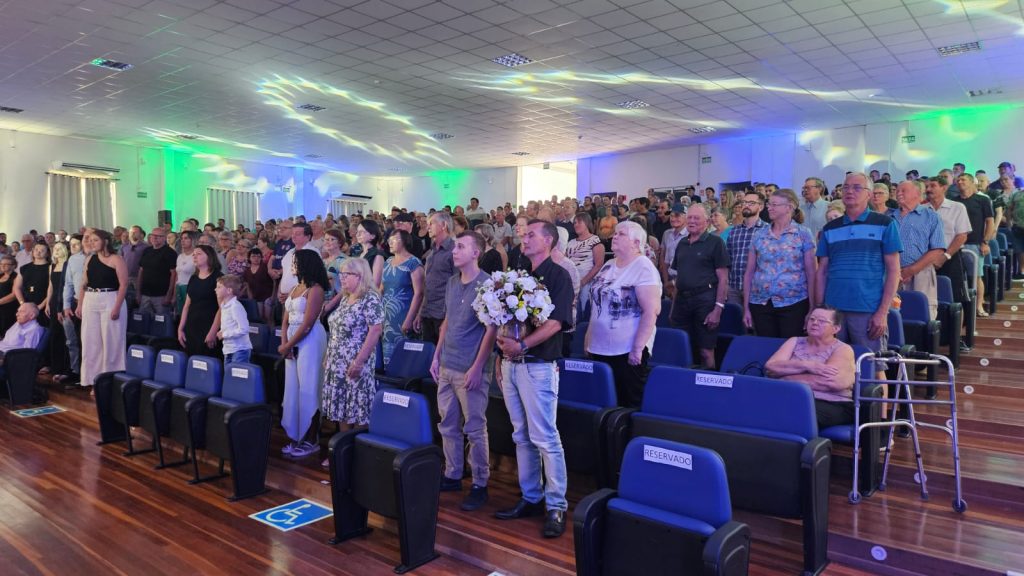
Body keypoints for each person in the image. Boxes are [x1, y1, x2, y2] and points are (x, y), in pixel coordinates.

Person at [493, 220, 573, 539]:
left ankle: (556, 505)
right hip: (512, 364)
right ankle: (531, 496)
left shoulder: (559, 275)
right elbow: (503, 318)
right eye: (523, 235)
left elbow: (556, 323)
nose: (523, 239)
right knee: (521, 434)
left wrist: (523, 345)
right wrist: (501, 355)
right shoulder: (520, 273)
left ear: (548, 241)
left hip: (538, 364)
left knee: (545, 437)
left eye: (530, 235)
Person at [429, 231, 497, 511]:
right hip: (447, 363)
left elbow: (491, 330)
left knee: (475, 428)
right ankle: (453, 473)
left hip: (470, 368)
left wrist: (478, 367)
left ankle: (480, 482)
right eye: (454, 246)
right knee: (447, 424)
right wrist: (436, 356)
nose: (454, 251)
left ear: (476, 253)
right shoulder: (452, 282)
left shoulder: (487, 284)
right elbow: (446, 322)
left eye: (460, 247)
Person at [816, 172, 901, 363]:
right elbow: (822, 271)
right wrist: (819, 309)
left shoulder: (885, 223)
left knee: (873, 368)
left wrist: (882, 312)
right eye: (846, 187)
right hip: (833, 310)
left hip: (868, 309)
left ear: (869, 194)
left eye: (856, 188)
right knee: (832, 367)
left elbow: (894, 271)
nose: (849, 191)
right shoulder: (830, 228)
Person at [585, 221, 661, 408]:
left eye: (621, 234)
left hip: (626, 349)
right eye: (615, 233)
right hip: (599, 346)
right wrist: (588, 339)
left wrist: (637, 348)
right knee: (604, 401)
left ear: (636, 243)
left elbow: (651, 311)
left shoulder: (643, 266)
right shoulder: (609, 264)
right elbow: (597, 306)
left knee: (628, 401)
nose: (614, 236)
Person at [320, 257, 381, 464]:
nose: (342, 278)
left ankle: (358, 456)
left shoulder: (370, 298)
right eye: (341, 274)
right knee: (342, 408)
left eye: (347, 274)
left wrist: (359, 362)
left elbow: (375, 331)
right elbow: (336, 330)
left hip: (356, 361)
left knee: (358, 408)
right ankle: (343, 453)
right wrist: (328, 355)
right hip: (337, 361)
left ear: (360, 276)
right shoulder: (346, 298)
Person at [765, 306, 856, 430]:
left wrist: (785, 378)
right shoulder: (794, 341)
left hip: (832, 403)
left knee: (792, 414)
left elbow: (830, 382)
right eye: (812, 319)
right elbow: (771, 367)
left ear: (836, 328)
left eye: (822, 321)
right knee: (761, 407)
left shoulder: (843, 349)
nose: (815, 323)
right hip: (791, 397)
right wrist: (808, 365)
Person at [743, 188, 817, 338]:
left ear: (789, 207)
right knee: (766, 347)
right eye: (768, 204)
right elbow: (749, 272)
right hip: (760, 303)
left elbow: (812, 273)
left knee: (790, 346)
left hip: (794, 303)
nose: (769, 208)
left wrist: (812, 308)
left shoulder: (803, 234)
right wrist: (746, 308)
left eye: (774, 204)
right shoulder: (759, 235)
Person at [278, 250, 329, 459]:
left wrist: (289, 344)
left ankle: (311, 438)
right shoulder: (295, 288)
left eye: (295, 262)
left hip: (310, 340)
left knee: (309, 386)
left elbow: (308, 323)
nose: (292, 265)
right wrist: (284, 343)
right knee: (293, 387)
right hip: (292, 339)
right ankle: (296, 434)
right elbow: (285, 320)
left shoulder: (315, 290)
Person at [670, 205, 729, 369]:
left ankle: (709, 383)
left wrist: (718, 309)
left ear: (707, 221)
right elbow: (679, 277)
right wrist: (673, 308)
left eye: (696, 218)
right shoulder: (682, 243)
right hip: (681, 302)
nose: (692, 221)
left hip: (705, 301)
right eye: (689, 217)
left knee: (706, 351)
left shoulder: (716, 243)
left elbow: (723, 278)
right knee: (681, 348)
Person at [77, 229, 128, 392]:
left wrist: (117, 307)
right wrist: (79, 304)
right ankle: (93, 380)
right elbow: (84, 283)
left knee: (111, 341)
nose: (91, 243)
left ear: (105, 241)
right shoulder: (89, 259)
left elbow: (123, 285)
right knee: (90, 341)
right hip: (91, 298)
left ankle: (110, 381)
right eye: (90, 240)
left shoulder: (116, 259)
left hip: (111, 298)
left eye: (95, 240)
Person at [889, 180, 946, 319]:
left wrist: (911, 270)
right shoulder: (888, 217)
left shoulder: (931, 216)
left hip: (921, 274)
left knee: (922, 315)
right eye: (897, 191)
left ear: (917, 193)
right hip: (891, 274)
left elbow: (938, 249)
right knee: (891, 317)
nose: (898, 193)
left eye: (903, 191)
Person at [379, 230, 424, 366]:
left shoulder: (413, 263)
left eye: (394, 239)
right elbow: (381, 289)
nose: (390, 243)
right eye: (389, 240)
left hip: (404, 314)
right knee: (387, 360)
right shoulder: (388, 262)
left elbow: (419, 293)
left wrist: (409, 319)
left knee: (404, 360)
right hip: (387, 316)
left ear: (404, 241)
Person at [953, 173, 995, 316]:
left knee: (976, 277)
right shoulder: (954, 201)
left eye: (963, 179)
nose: (960, 182)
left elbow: (990, 222)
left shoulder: (982, 200)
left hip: (974, 244)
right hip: (956, 244)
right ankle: (962, 309)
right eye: (958, 180)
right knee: (959, 277)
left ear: (972, 182)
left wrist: (985, 242)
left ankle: (979, 305)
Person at [416, 211, 456, 344]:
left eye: (431, 223)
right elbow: (427, 285)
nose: (427, 227)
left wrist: (449, 318)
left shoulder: (454, 250)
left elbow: (457, 287)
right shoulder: (432, 251)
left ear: (443, 225)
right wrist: (421, 312)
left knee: (443, 353)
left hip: (443, 313)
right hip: (428, 312)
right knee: (428, 352)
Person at [177, 245, 222, 357]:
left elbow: (222, 309)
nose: (195, 256)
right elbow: (187, 306)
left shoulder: (218, 278)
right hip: (192, 327)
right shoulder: (193, 278)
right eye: (194, 254)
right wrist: (180, 328)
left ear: (209, 256)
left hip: (209, 326)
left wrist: (213, 332)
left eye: (199, 254)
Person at [725, 190, 767, 306]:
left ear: (761, 207)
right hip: (734, 287)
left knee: (754, 318)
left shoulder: (767, 230)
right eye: (744, 202)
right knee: (734, 317)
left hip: (756, 288)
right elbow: (728, 259)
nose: (746, 205)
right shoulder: (734, 231)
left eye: (751, 203)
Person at [566, 212, 605, 316]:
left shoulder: (595, 241)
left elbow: (598, 265)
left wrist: (583, 282)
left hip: (586, 283)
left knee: (583, 312)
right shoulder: (571, 242)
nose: (576, 225)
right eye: (574, 223)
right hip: (571, 282)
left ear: (587, 223)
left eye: (579, 222)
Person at [136, 227, 177, 316]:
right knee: (143, 319)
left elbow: (174, 274)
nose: (154, 238)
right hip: (145, 294)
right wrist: (138, 292)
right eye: (153, 235)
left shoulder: (170, 253)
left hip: (161, 295)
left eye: (158, 236)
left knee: (161, 321)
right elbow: (141, 271)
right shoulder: (147, 251)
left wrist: (169, 294)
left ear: (164, 238)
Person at [45, 241, 70, 377]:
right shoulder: (52, 266)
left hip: (64, 299)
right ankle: (56, 367)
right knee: (55, 334)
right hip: (54, 300)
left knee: (66, 334)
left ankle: (67, 368)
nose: (57, 250)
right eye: (55, 248)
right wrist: (47, 303)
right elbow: (50, 286)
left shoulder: (68, 264)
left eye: (60, 248)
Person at [215, 274, 252, 365]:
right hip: (228, 349)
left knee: (236, 373)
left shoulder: (236, 306)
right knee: (228, 373)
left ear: (229, 290)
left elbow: (244, 329)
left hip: (240, 350)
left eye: (219, 287)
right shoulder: (224, 306)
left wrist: (224, 334)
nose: (215, 289)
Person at [13, 242, 51, 323]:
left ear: (47, 253)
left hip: (45, 305)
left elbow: (53, 289)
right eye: (36, 250)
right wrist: (22, 304)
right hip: (26, 304)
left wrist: (40, 306)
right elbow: (17, 287)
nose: (38, 252)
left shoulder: (51, 268)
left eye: (42, 250)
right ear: (33, 252)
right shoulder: (24, 268)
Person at [355, 220, 385, 286]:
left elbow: (376, 283)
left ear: (372, 236)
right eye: (357, 231)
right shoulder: (357, 254)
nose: (358, 234)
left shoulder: (377, 255)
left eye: (362, 232)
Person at [174, 231, 197, 316]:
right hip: (179, 287)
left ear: (193, 240)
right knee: (181, 314)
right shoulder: (180, 256)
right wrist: (174, 292)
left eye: (186, 238)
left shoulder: (195, 256)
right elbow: (177, 275)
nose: (183, 241)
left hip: (190, 287)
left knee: (190, 313)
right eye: (182, 238)